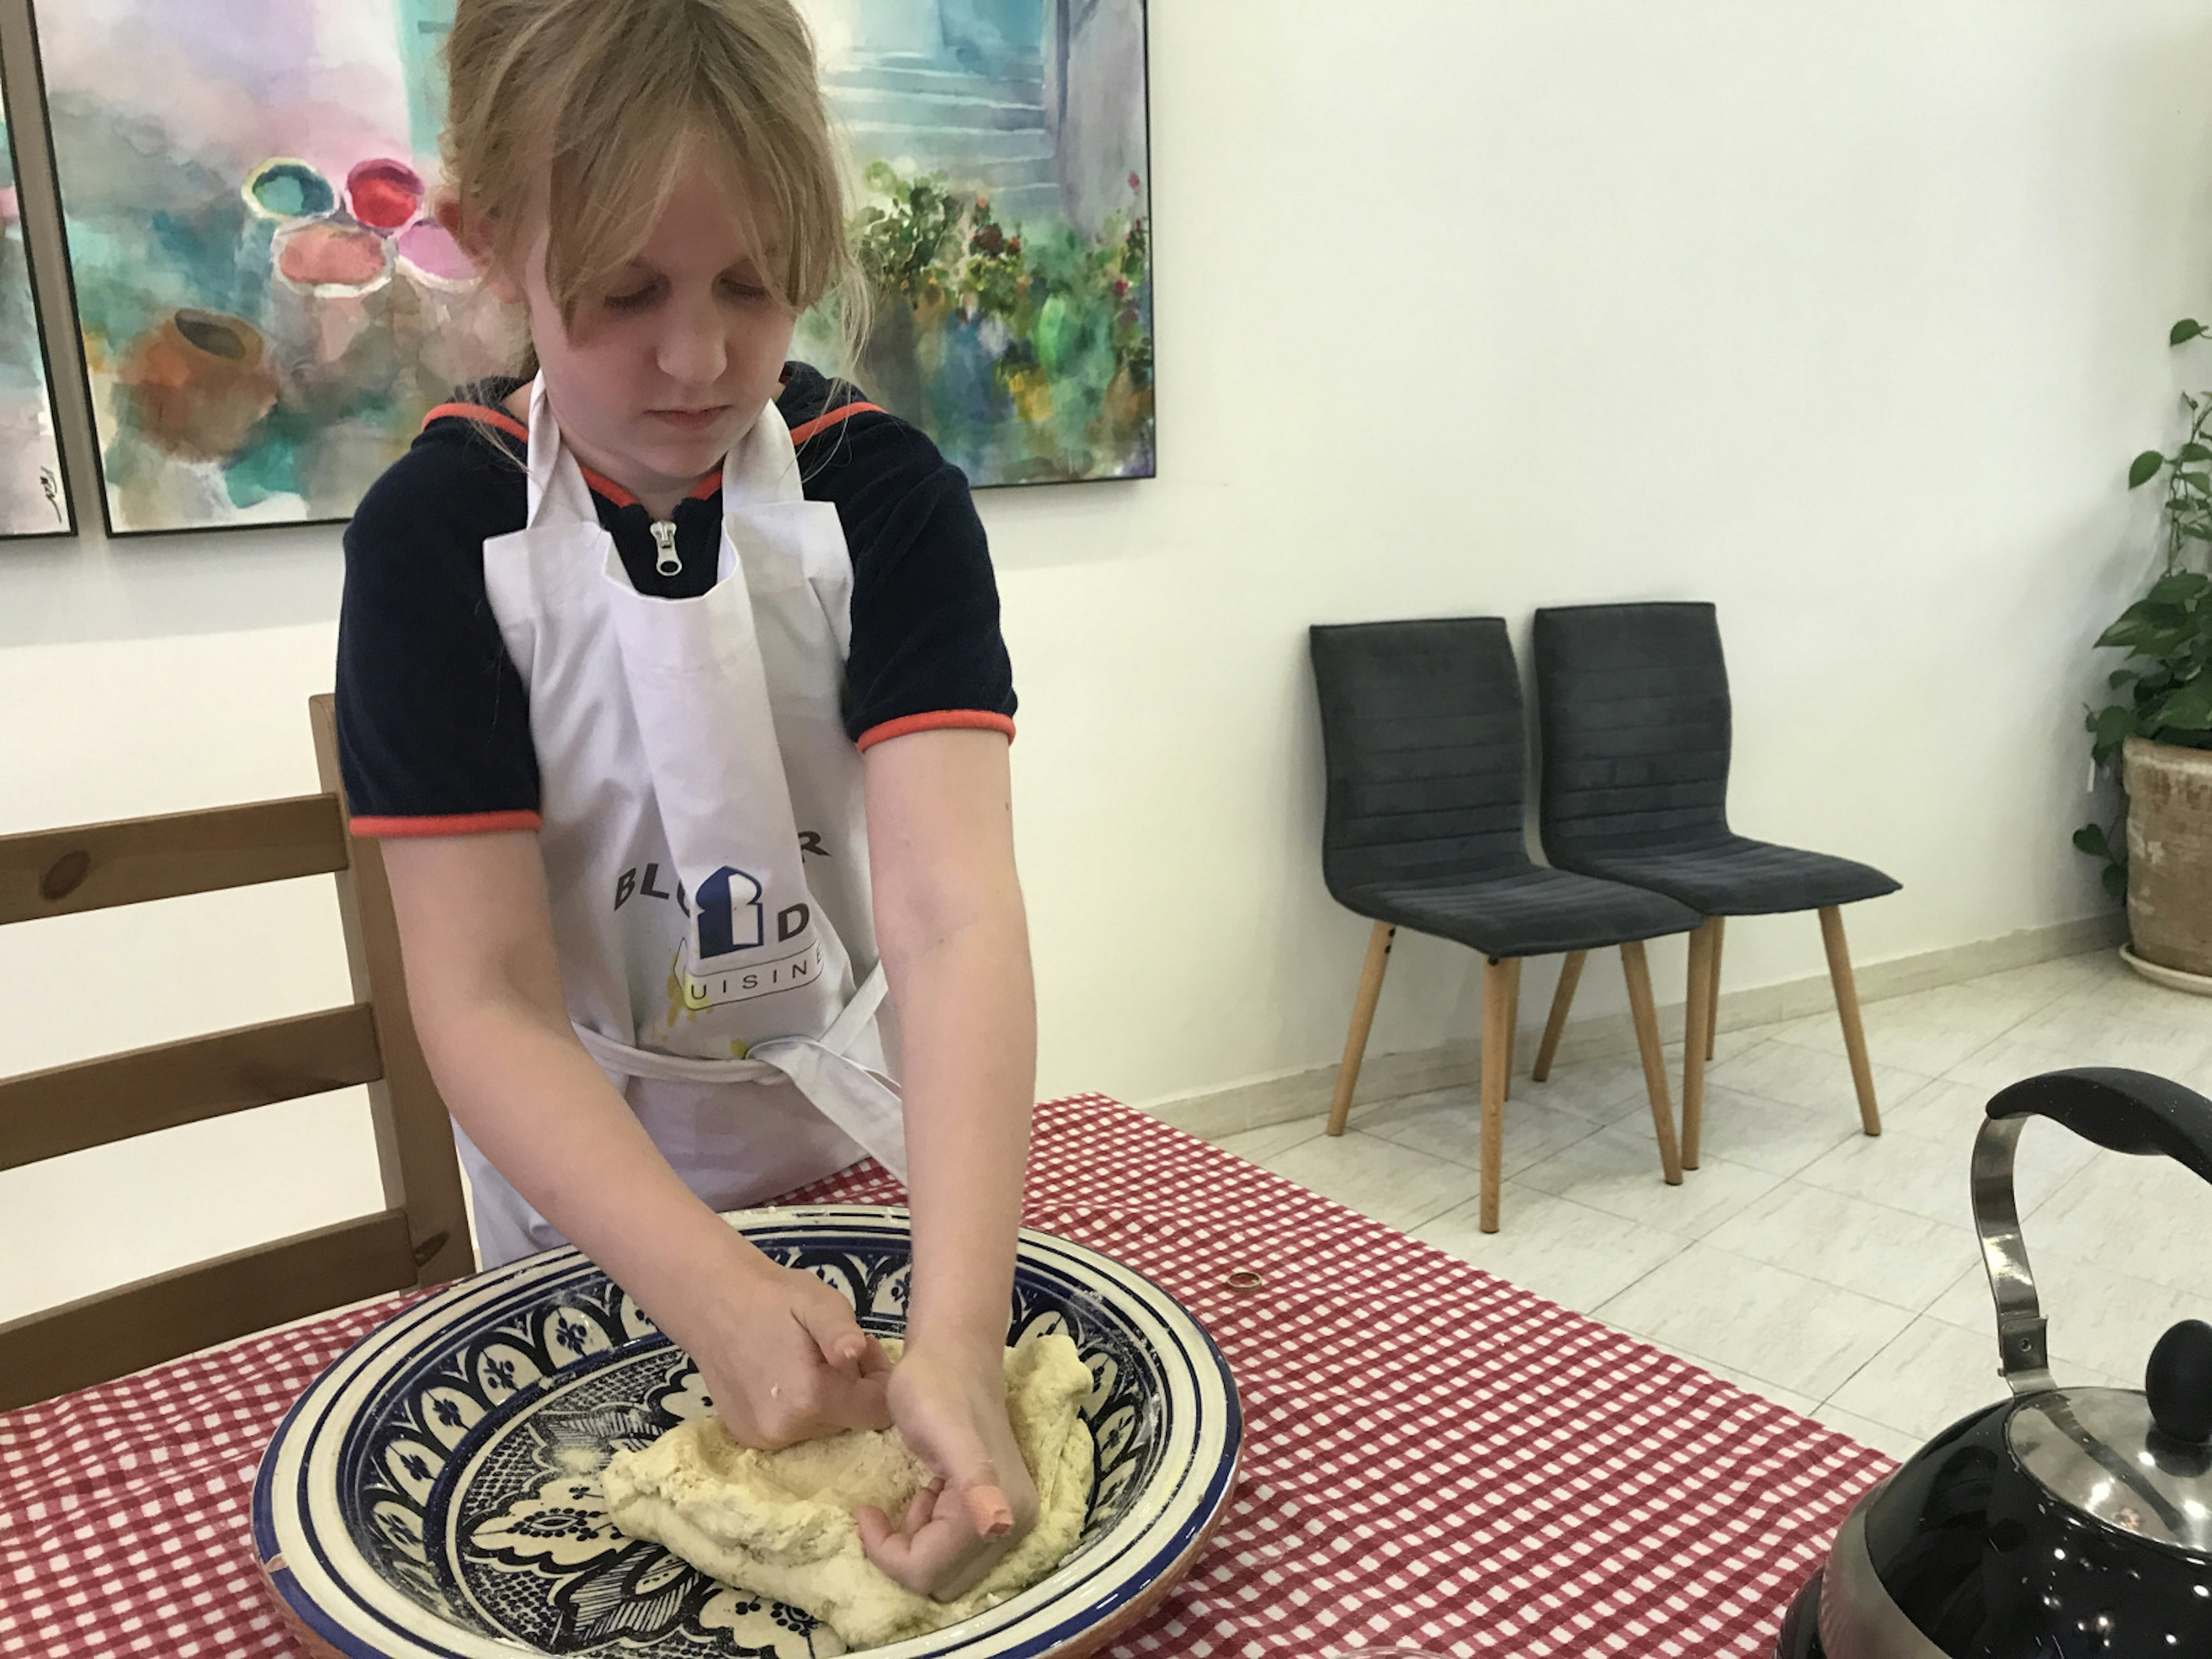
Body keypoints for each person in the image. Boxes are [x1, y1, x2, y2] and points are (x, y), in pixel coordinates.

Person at [332, 0, 1038, 1601]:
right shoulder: (435, 541)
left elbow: (948, 918)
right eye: (627, 291)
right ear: (492, 244)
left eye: (755, 285)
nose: (701, 355)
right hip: (596, 1217)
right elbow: (487, 991)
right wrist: (704, 1287)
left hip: (876, 1157)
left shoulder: (889, 500)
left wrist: (958, 1334)